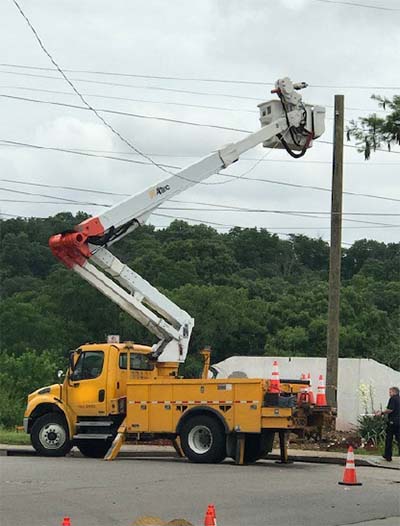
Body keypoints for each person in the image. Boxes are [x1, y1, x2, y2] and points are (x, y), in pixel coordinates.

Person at [375, 387, 400, 462]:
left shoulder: (393, 399)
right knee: (399, 439)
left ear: (394, 392)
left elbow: (390, 409)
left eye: (390, 392)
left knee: (389, 439)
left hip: (392, 422)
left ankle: (388, 455)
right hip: (399, 422)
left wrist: (381, 413)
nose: (389, 394)